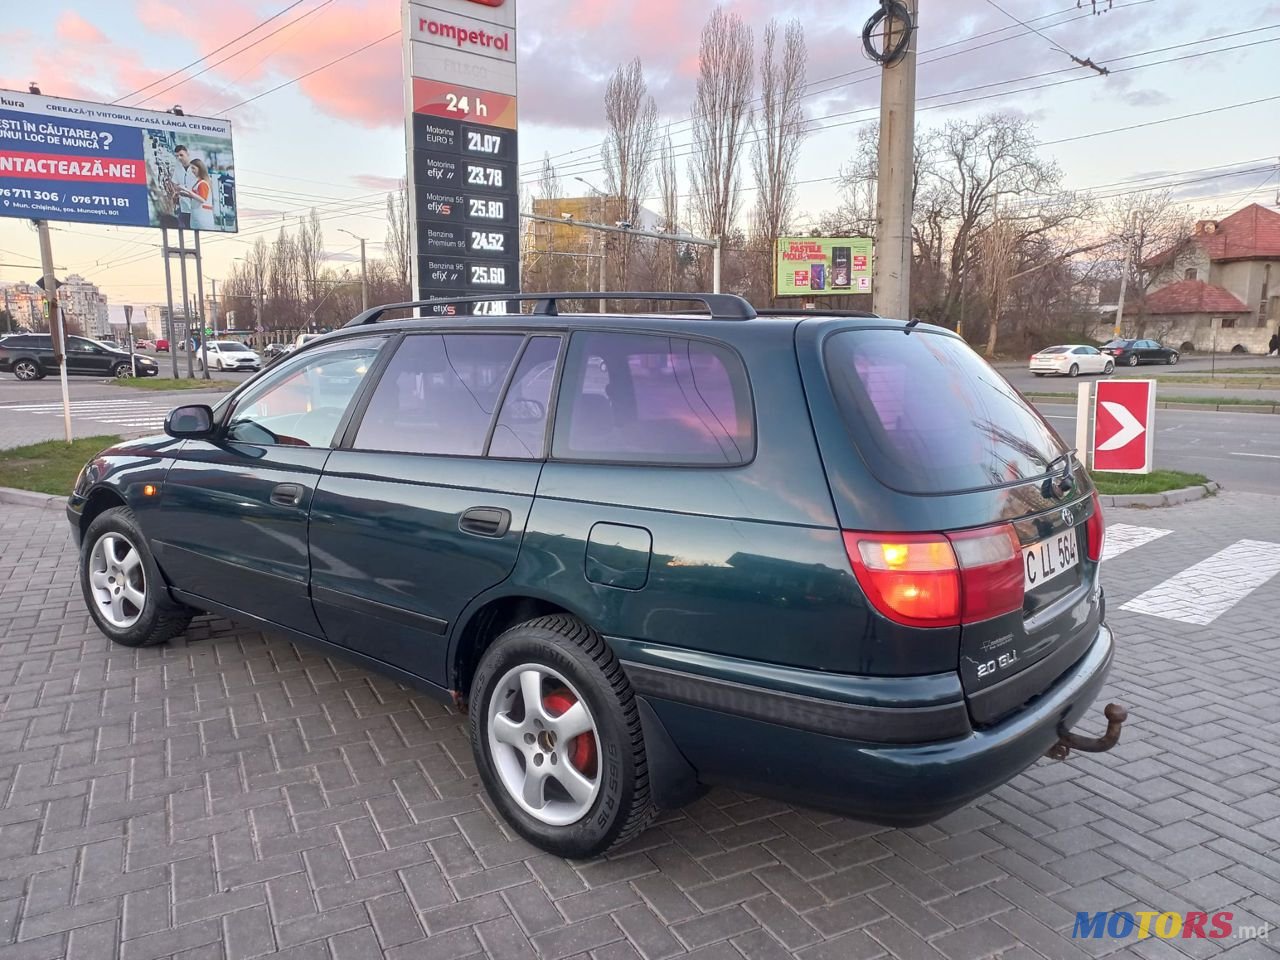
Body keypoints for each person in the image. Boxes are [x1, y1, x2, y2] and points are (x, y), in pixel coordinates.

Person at [182, 159, 216, 231]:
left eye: (193, 168)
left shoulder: (203, 183)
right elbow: (196, 196)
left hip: (203, 216)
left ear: (200, 168)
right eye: (191, 168)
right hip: (198, 214)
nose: (192, 171)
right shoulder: (198, 182)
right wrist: (186, 194)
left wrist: (188, 191)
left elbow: (202, 199)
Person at [173, 145, 196, 228]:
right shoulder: (177, 169)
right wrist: (177, 191)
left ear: (187, 154)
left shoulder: (196, 168)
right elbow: (175, 184)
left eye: (181, 155)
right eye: (177, 156)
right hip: (183, 208)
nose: (179, 158)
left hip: (196, 208)